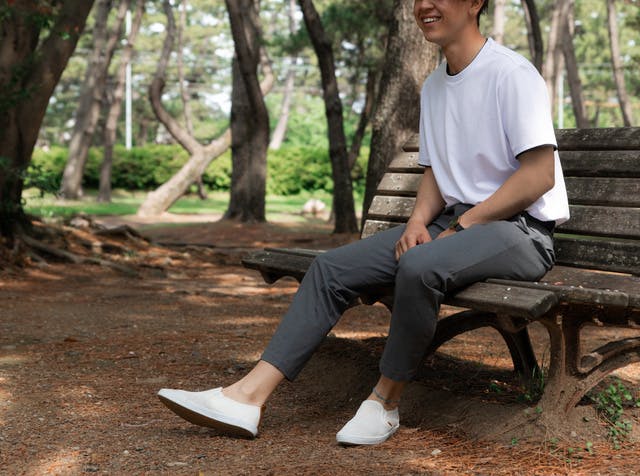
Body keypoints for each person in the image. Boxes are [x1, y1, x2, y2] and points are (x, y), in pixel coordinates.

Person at [158, 0, 570, 446]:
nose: (424, 5)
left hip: (521, 231)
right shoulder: (435, 85)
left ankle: (384, 404)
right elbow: (436, 170)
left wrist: (462, 226)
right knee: (330, 269)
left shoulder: (512, 74)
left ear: (475, 3)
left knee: (420, 266)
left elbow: (538, 177)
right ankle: (246, 398)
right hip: (458, 223)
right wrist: (417, 222)